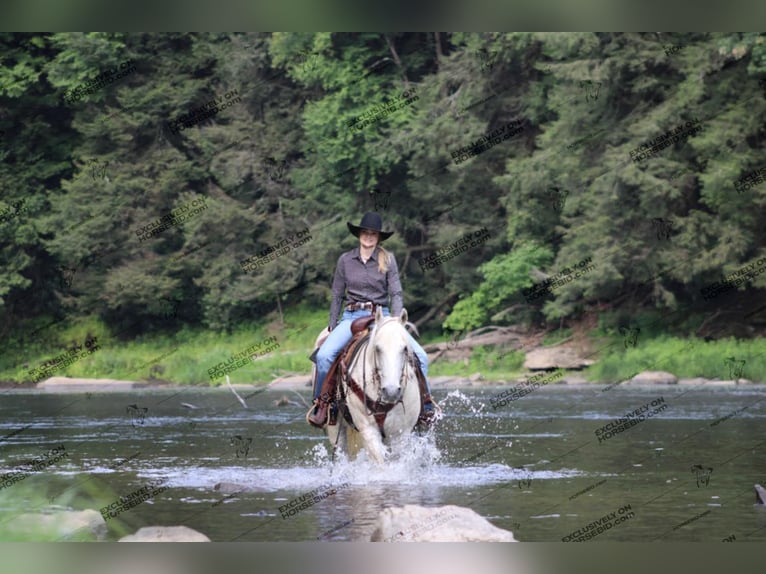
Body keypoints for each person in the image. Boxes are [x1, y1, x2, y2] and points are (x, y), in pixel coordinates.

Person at [308, 212, 435, 428]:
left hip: (382, 317)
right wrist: (332, 324)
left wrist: (396, 321)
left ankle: (426, 405)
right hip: (352, 317)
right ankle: (324, 404)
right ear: (359, 235)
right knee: (324, 356)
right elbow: (338, 294)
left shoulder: (388, 259)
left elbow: (396, 293)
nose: (368, 237)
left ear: (378, 237)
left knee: (421, 357)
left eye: (373, 234)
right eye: (365, 233)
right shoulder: (345, 260)